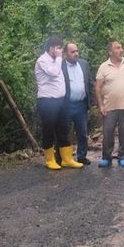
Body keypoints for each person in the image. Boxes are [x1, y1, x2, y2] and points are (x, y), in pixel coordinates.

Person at [35, 36, 83, 170]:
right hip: (47, 101)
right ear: (51, 47)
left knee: (63, 129)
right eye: (58, 48)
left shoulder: (57, 60)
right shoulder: (42, 60)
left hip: (60, 101)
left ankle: (67, 159)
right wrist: (59, 57)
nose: (60, 51)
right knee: (48, 130)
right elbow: (53, 72)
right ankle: (49, 159)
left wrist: (58, 58)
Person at [62, 42, 94, 165]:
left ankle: (81, 156)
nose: (76, 54)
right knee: (64, 132)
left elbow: (89, 82)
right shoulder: (60, 65)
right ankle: (64, 157)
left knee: (82, 132)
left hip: (81, 105)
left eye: (77, 51)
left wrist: (93, 100)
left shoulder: (84, 64)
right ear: (65, 54)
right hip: (66, 105)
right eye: (72, 52)